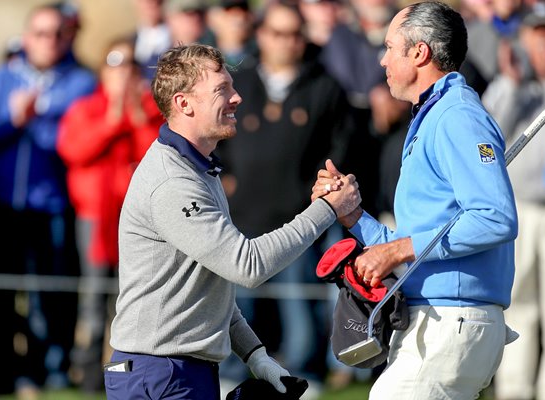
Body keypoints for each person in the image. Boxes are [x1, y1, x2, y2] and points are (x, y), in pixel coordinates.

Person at [105, 43, 361, 399]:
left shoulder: (200, 169)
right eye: (222, 89)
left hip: (177, 371)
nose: (237, 98)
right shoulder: (173, 182)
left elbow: (211, 289)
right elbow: (247, 266)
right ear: (184, 104)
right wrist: (327, 210)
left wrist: (257, 357)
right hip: (160, 373)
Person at [313, 2, 518, 398]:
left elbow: (495, 217)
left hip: (450, 320)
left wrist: (397, 251)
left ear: (419, 52)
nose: (383, 58)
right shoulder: (436, 114)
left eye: (391, 47)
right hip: (438, 319)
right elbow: (416, 241)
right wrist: (354, 215)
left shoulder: (457, 115)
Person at [215, 1, 355, 392]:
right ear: (261, 34)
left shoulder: (324, 85)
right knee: (239, 307)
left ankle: (302, 376)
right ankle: (232, 376)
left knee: (300, 307)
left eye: (294, 33)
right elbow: (215, 139)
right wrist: (223, 182)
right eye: (277, 32)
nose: (286, 41)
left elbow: (340, 148)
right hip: (241, 218)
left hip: (298, 220)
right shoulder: (238, 83)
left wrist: (321, 197)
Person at [0, 4, 96, 396]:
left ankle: (52, 368)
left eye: (57, 33)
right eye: (41, 33)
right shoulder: (1, 79)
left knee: (51, 294)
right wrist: (12, 120)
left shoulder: (79, 82)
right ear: (28, 37)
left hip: (53, 206)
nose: (49, 41)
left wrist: (36, 119)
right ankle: (3, 372)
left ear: (68, 37)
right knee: (2, 294)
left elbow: (71, 140)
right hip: (3, 207)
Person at [56, 37, 162, 394]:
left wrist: (134, 115)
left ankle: (127, 374)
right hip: (96, 220)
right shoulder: (87, 108)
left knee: (132, 302)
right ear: (104, 71)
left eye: (132, 66)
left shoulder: (151, 112)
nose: (124, 73)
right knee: (92, 299)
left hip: (141, 223)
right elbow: (74, 149)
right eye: (117, 65)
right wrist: (113, 120)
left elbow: (159, 156)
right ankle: (86, 376)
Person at [482, 4, 545, 399]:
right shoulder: (508, 83)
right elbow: (488, 137)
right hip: (518, 207)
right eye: (536, 36)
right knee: (517, 299)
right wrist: (514, 82)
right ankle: (515, 387)